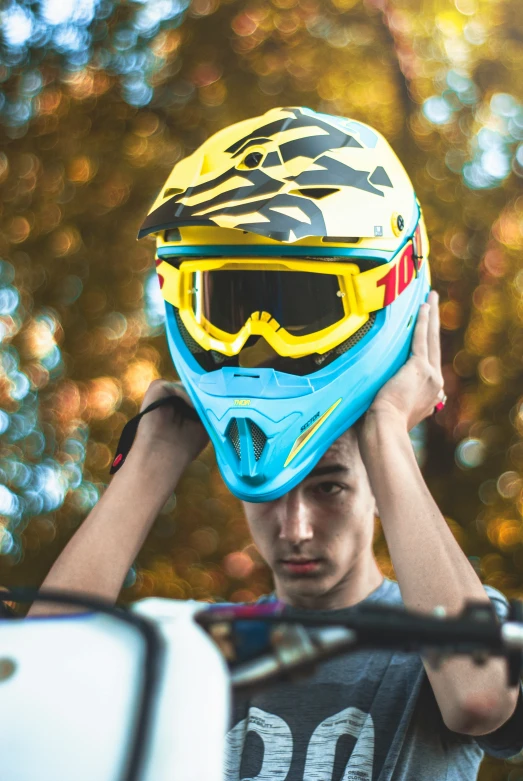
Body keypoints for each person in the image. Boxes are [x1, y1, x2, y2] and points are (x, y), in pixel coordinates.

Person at [29, 108, 523, 778]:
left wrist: (383, 429)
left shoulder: (448, 621)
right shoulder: (201, 648)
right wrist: (151, 457)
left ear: (378, 482)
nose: (294, 527)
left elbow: (476, 696)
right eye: (277, 499)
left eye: (329, 485)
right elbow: (38, 694)